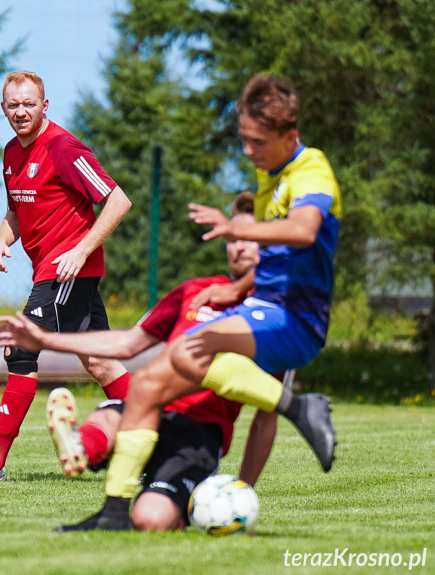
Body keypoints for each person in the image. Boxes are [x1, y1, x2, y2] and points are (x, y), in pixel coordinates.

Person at [37, 73, 341, 530]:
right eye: (243, 139)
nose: (247, 151)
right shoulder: (268, 174)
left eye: (257, 141)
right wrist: (237, 289)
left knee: (188, 348)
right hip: (261, 305)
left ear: (289, 137)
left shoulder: (311, 169)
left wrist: (235, 227)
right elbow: (276, 258)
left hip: (294, 316)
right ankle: (114, 513)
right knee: (148, 385)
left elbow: (303, 231)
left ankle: (299, 407)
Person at [0, 197, 289, 531]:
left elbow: (266, 420)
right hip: (149, 406)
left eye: (251, 239)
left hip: (198, 434)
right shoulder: (194, 291)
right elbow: (127, 343)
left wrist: (243, 490)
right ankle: (81, 448)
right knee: (113, 412)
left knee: (150, 520)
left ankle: (167, 502)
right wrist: (45, 340)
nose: (239, 248)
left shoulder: (275, 319)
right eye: (234, 238)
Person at [0, 71, 133, 481]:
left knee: (20, 349)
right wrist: (0, 240)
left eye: (29, 103)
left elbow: (118, 200)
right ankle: (156, 442)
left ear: (45, 106)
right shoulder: (11, 152)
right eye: (14, 105)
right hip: (50, 271)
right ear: (4, 109)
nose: (21, 111)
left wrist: (81, 251)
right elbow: (16, 211)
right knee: (100, 363)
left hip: (68, 272)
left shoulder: (64, 148)